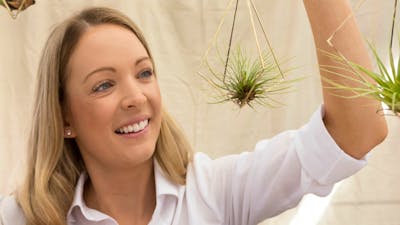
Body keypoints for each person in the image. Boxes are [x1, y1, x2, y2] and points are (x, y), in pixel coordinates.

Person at [0, 1, 388, 225]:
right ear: (64, 118)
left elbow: (357, 133)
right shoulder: (26, 216)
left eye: (144, 73)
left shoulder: (214, 193)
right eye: (104, 84)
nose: (135, 96)